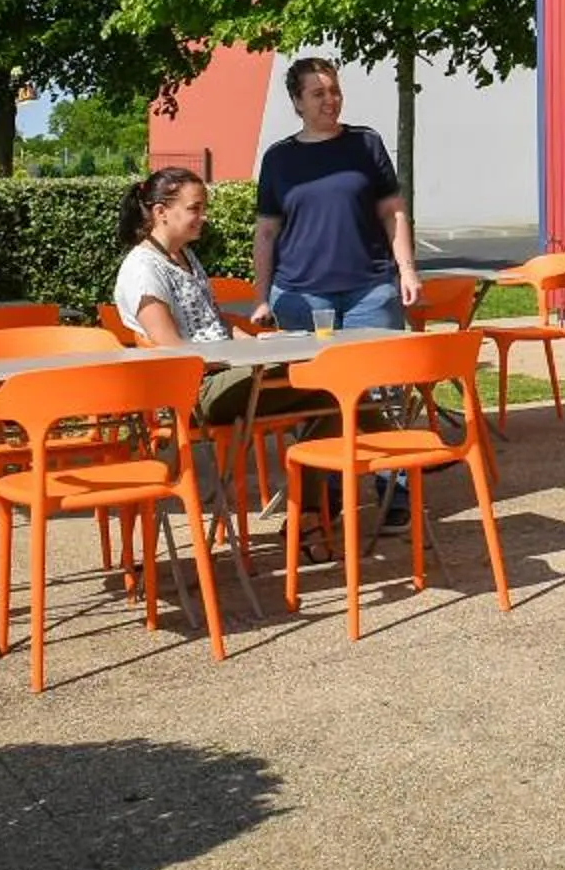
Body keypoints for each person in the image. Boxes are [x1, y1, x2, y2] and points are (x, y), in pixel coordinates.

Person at [115, 165, 390, 544]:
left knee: (332, 388)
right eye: (195, 208)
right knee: (332, 377)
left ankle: (309, 515)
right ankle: (393, 448)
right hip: (198, 389)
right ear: (161, 211)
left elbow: (209, 322)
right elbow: (172, 349)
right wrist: (239, 355)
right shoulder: (143, 269)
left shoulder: (184, 257)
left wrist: (247, 338)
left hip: (225, 373)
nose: (204, 216)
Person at [249, 57, 422, 335]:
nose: (330, 100)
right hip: (300, 297)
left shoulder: (366, 143)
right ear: (297, 102)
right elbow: (267, 232)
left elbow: (393, 212)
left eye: (335, 91)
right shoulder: (278, 158)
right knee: (316, 378)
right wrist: (261, 298)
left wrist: (408, 271)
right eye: (318, 93)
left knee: (379, 376)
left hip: (371, 293)